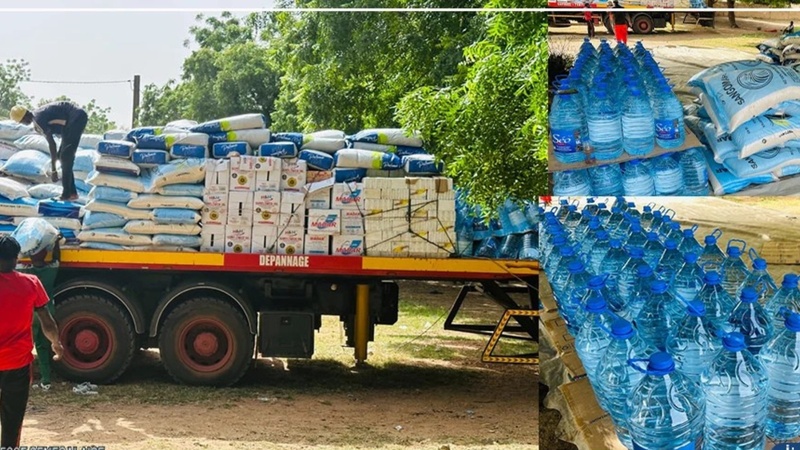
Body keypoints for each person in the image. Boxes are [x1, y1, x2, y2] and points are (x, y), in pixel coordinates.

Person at [0, 236, 63, 448]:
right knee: (12, 421)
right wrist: (56, 343)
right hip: (16, 364)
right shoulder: (31, 283)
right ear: (17, 258)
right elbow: (47, 320)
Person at [9, 101, 88, 202]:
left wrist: (54, 170)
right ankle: (72, 193)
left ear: (24, 117)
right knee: (62, 156)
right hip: (71, 122)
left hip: (76, 118)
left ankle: (67, 194)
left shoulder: (38, 120)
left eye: (21, 122)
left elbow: (52, 144)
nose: (23, 124)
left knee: (65, 157)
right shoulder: (38, 116)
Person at [18, 235, 62, 390]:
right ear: (45, 254)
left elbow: (15, 259)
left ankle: (29, 379)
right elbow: (57, 257)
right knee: (45, 344)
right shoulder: (52, 269)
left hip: (30, 312)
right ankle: (46, 379)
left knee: (30, 346)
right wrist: (56, 242)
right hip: (46, 310)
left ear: (30, 255)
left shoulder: (25, 271)